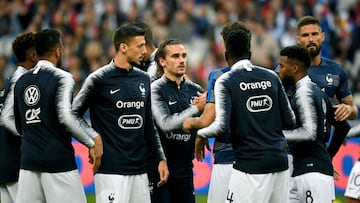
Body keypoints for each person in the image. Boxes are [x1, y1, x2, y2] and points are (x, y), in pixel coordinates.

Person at [72, 24, 169, 203]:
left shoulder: (144, 78)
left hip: (140, 170)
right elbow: (73, 114)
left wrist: (160, 159)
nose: (144, 51)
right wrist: (92, 137)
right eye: (139, 45)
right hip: (111, 171)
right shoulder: (98, 79)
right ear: (123, 47)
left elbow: (148, 123)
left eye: (144, 45)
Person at [197, 28, 296, 202]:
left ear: (226, 53)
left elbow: (222, 125)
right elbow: (290, 121)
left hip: (249, 164)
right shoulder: (271, 76)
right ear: (249, 53)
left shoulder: (225, 80)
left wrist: (200, 132)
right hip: (280, 163)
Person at [12, 28, 102, 203]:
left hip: (28, 163)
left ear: (35, 53)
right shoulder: (62, 77)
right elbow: (65, 117)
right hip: (57, 161)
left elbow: (18, 124)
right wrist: (91, 142)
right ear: (58, 51)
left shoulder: (21, 81)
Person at [182, 21, 250, 203]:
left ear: (225, 45)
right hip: (254, 159)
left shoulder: (218, 76)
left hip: (227, 157)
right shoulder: (264, 75)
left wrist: (197, 128)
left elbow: (207, 119)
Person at [277, 45, 350, 203]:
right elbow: (343, 127)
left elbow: (308, 132)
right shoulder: (318, 92)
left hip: (312, 174)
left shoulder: (304, 93)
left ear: (294, 68)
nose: (278, 70)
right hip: (305, 168)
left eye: (282, 66)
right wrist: (327, 156)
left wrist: (277, 137)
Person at [150, 39, 206, 203]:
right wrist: (197, 108)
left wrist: (202, 134)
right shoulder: (156, 89)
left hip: (186, 170)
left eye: (183, 56)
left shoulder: (195, 90)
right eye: (175, 56)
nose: (182, 60)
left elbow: (204, 120)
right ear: (162, 61)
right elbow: (165, 124)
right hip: (161, 169)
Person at [296, 15, 357, 121]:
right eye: (305, 35)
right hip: (297, 135)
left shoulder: (336, 69)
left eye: (314, 34)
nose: (310, 39)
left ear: (322, 37)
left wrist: (349, 109)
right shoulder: (286, 70)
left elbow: (353, 111)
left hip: (327, 135)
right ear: (298, 40)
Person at [0, 32, 37, 203]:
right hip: (14, 160)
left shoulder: (13, 79)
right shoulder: (21, 80)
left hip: (5, 159)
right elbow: (6, 119)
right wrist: (28, 136)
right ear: (33, 55)